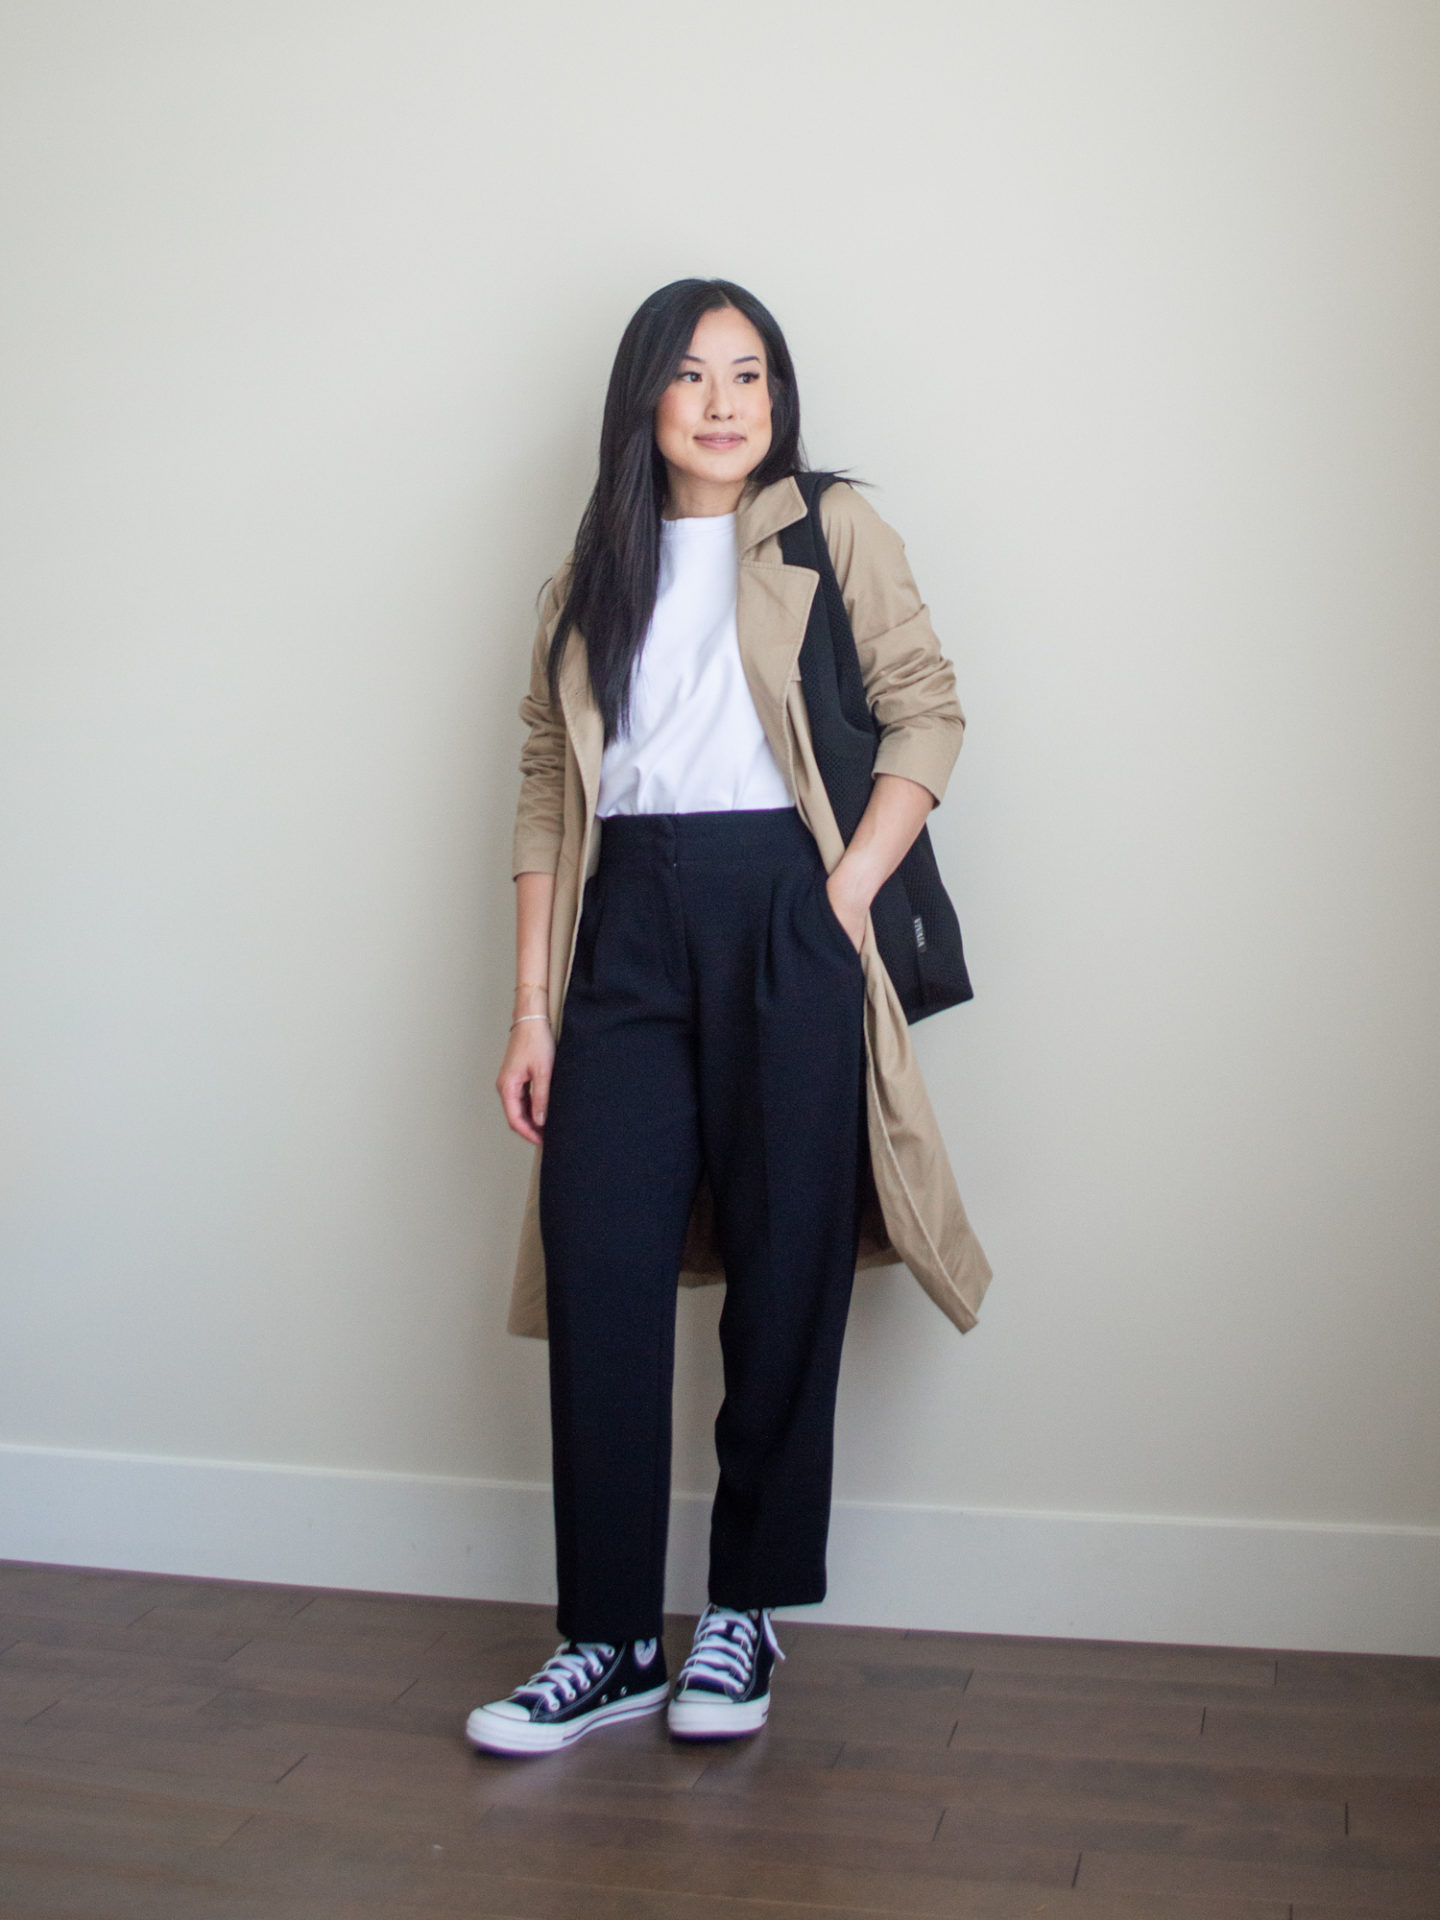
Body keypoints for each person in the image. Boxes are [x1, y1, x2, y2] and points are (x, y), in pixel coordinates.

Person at [466, 279, 990, 1758]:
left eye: (748, 375)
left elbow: (927, 707)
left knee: (785, 1264)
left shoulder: (830, 529)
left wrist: (845, 887)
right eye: (691, 375)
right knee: (604, 1267)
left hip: (784, 909)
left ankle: (745, 1615)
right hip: (621, 930)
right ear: (644, 399)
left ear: (778, 398)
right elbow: (541, 786)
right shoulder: (588, 581)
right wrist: (529, 1009)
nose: (721, 402)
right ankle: (610, 1640)